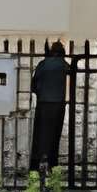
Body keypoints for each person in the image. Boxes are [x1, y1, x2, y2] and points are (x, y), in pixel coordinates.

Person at [27, 41, 70, 175]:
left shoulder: (43, 64)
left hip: (43, 102)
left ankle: (39, 161)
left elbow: (33, 84)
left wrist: (40, 92)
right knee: (54, 133)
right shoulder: (64, 64)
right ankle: (51, 162)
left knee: (41, 133)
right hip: (58, 103)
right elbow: (71, 78)